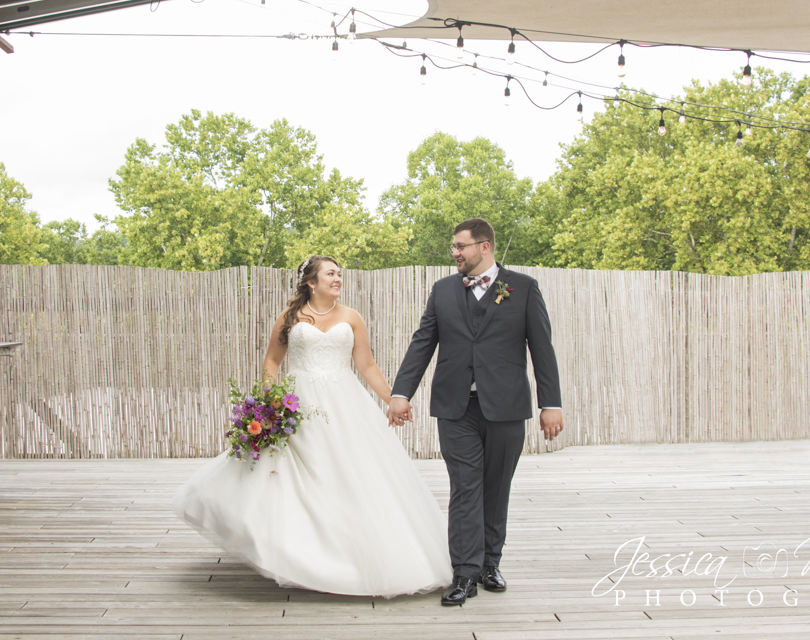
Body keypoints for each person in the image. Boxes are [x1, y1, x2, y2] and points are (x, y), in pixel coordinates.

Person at [173, 255, 452, 598]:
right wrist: (267, 404)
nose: (338, 279)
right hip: (298, 404)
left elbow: (365, 365)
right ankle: (294, 554)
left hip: (344, 405)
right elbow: (272, 362)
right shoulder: (291, 317)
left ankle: (345, 555)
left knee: (347, 474)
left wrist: (395, 398)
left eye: (339, 274)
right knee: (290, 476)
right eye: (330, 274)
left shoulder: (351, 318)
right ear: (311, 282)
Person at [388, 218, 564, 606]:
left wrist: (550, 404)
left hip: (506, 407)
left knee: (496, 488)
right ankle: (464, 573)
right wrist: (401, 392)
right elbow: (422, 344)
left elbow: (542, 349)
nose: (454, 253)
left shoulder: (523, 289)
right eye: (453, 247)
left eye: (460, 246)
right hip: (455, 408)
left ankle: (489, 563)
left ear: (484, 247)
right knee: (465, 487)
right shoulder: (443, 290)